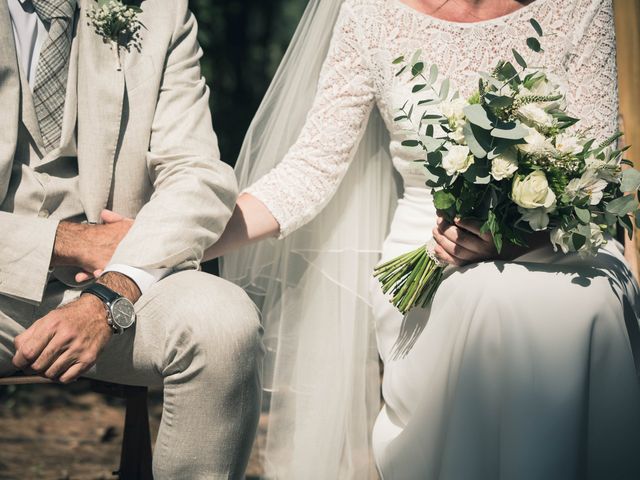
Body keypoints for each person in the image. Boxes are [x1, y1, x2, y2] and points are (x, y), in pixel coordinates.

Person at [215, 0, 640, 478]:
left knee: (586, 305)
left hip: (568, 241)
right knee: (486, 297)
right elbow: (311, 168)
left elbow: (601, 173)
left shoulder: (580, 6)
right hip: (431, 246)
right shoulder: (370, 13)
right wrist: (176, 239)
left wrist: (507, 242)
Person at [0, 0, 263, 478]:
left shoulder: (160, 12)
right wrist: (67, 241)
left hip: (115, 277)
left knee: (223, 324)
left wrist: (113, 290)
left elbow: (197, 174)